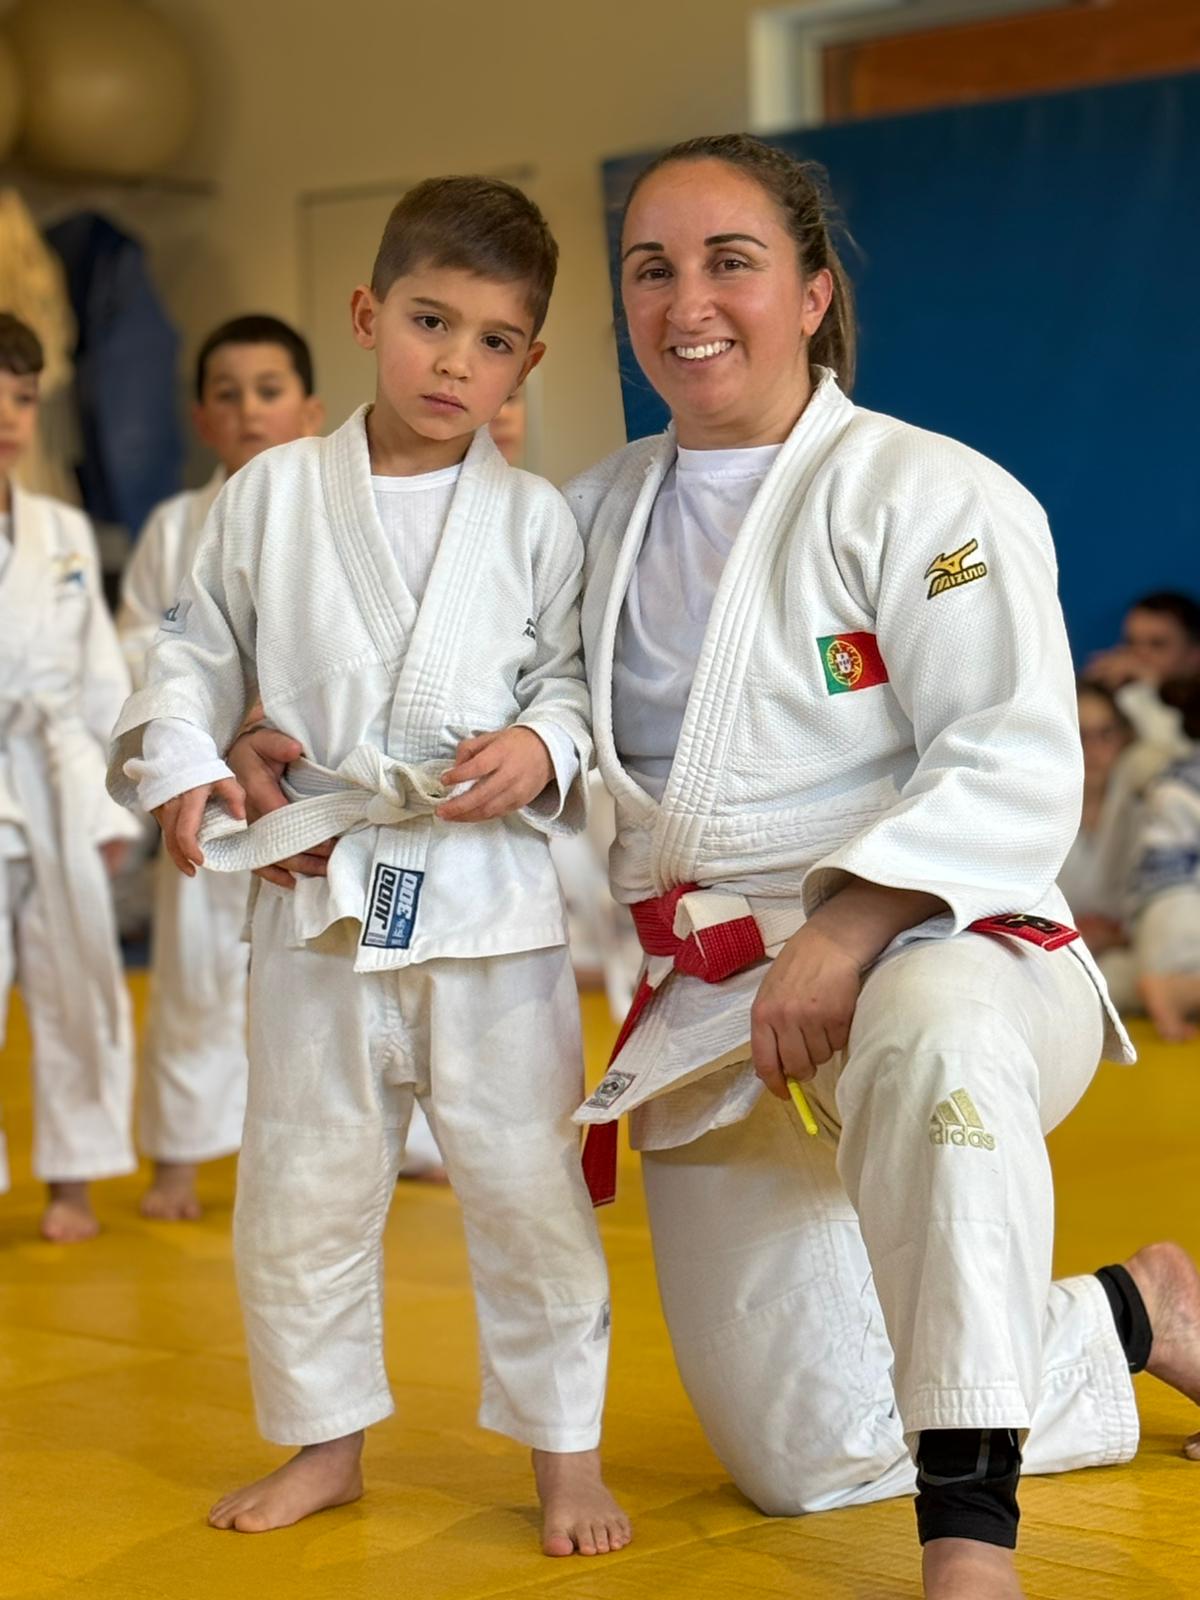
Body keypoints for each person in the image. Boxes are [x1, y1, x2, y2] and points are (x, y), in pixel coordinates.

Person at [237, 138, 1200, 1597]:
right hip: (714, 1005)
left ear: (812, 293)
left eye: (729, 262)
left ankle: (971, 1537)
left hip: (948, 947)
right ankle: (1137, 1313)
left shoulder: (930, 494)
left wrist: (849, 930)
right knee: (804, 1452)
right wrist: (273, 743)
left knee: (931, 1034)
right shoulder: (585, 515)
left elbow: (1010, 756)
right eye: (652, 268)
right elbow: (453, 697)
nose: (687, 301)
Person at [107, 178, 628, 1555]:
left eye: (494, 341)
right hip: (321, 892)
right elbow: (190, 653)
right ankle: (325, 1442)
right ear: (367, 314)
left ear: (529, 361)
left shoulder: (538, 520)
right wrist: (191, 759)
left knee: (529, 1188)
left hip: (488, 907)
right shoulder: (270, 495)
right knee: (304, 1183)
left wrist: (544, 744)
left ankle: (566, 1453)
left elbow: (574, 682)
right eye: (429, 321)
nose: (455, 363)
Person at [117, 315, 324, 1220]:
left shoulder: (332, 512)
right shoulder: (175, 527)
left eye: (269, 391)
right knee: (196, 973)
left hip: (310, 777)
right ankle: (180, 1157)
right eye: (228, 396)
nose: (249, 411)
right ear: (202, 418)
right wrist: (209, 722)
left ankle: (363, 1152)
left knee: (330, 971)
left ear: (310, 410)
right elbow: (142, 646)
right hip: (208, 781)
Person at [0, 311, 139, 1242]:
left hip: (53, 777)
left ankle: (74, 1179)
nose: (7, 418)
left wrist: (110, 808)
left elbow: (98, 680)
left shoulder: (59, 530)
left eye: (19, 399)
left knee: (77, 980)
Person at [1129, 675, 1200, 1042]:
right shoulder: (1183, 784)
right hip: (1185, 922)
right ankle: (1178, 992)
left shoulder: (1174, 776)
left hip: (1158, 921)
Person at [1084, 591, 1200, 752]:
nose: (1139, 655)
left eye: (1157, 644)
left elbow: (1177, 755)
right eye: (1131, 642)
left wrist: (1149, 688)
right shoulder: (1117, 688)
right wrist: (1090, 692)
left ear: (1194, 653)